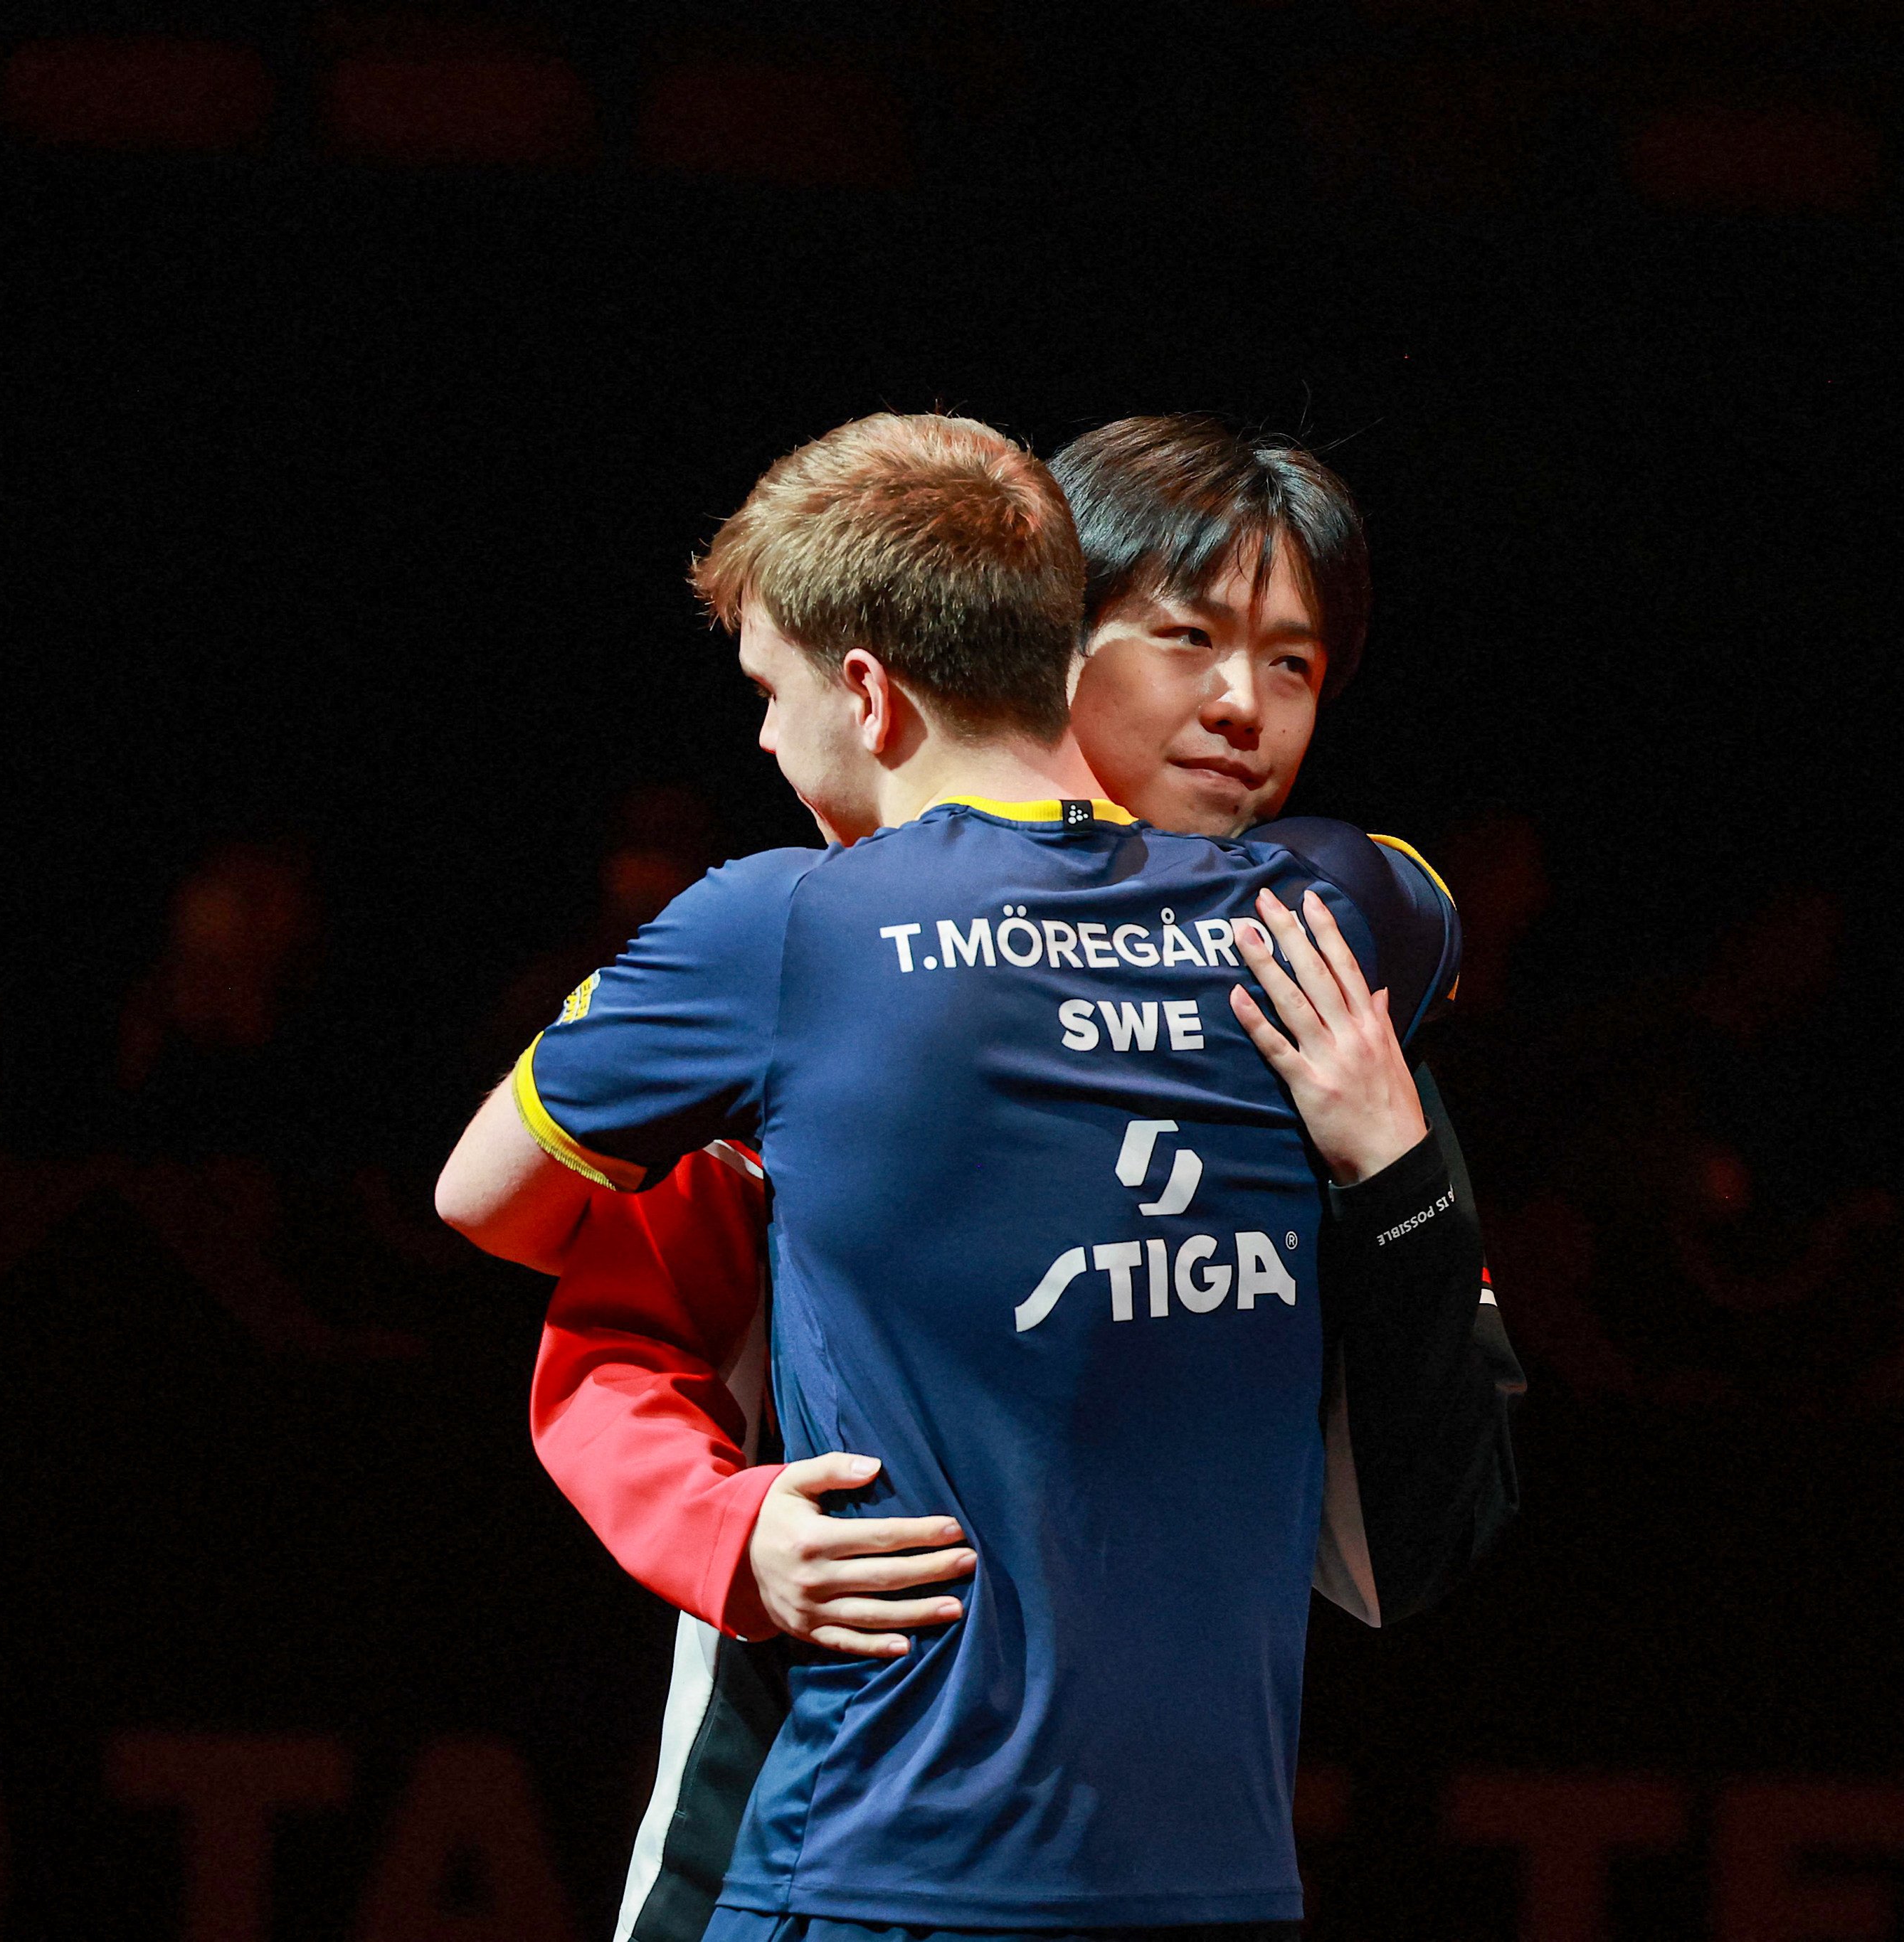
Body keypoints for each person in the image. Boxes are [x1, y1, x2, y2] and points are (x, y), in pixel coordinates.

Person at [439, 414, 1506, 1938]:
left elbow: (1420, 1534)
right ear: (1046, 643)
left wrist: (1394, 1177)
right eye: (1184, 637)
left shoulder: (1312, 994)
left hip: (1178, 1869)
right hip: (820, 1805)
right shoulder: (811, 986)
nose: (1236, 708)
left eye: (1293, 662)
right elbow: (613, 1336)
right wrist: (720, 1529)